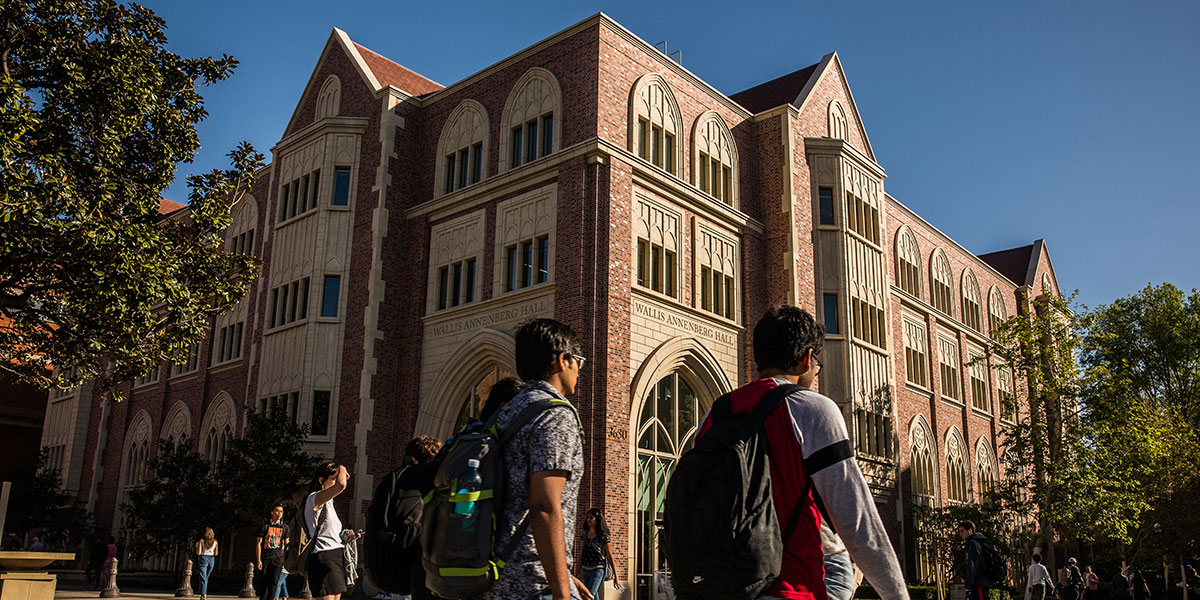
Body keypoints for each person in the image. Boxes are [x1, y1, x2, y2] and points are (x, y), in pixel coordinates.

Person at [695, 306, 908, 600]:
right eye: (816, 363)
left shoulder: (713, 416)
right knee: (839, 562)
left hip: (722, 586)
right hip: (793, 586)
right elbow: (856, 519)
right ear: (806, 358)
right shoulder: (812, 408)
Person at [482, 318, 590, 600]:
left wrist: (565, 576)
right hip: (532, 584)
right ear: (561, 361)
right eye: (578, 360)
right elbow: (543, 505)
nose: (580, 369)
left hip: (494, 577)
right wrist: (561, 591)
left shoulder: (508, 411)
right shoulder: (554, 414)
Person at [306, 461, 349, 600]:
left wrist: (346, 536)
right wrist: (341, 468)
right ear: (321, 480)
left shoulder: (330, 503)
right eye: (332, 479)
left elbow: (329, 532)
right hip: (322, 555)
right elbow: (341, 485)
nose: (336, 482)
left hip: (336, 555)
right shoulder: (314, 498)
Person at [578, 508, 621, 600]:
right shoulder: (584, 535)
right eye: (587, 518)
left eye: (591, 518)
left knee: (589, 594)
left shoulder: (603, 536)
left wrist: (616, 576)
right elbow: (581, 554)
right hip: (585, 569)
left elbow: (610, 556)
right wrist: (576, 572)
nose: (588, 520)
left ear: (597, 519)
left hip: (598, 570)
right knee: (592, 595)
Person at [256, 504, 290, 600]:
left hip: (278, 558)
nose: (279, 513)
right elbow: (258, 543)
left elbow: (287, 544)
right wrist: (258, 560)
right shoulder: (265, 526)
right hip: (266, 557)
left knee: (274, 583)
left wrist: (286, 560)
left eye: (281, 511)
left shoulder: (285, 528)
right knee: (264, 583)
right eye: (277, 511)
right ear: (272, 512)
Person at [959, 521, 991, 600]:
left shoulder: (973, 544)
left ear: (970, 531)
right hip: (981, 581)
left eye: (962, 531)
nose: (960, 534)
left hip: (979, 582)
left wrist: (969, 583)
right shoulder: (978, 542)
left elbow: (973, 564)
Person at [196, 528, 218, 600]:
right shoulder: (215, 542)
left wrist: (198, 546)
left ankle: (203, 594)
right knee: (205, 577)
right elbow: (216, 553)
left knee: (203, 578)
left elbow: (198, 553)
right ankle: (202, 592)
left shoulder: (201, 541)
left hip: (203, 558)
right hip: (211, 559)